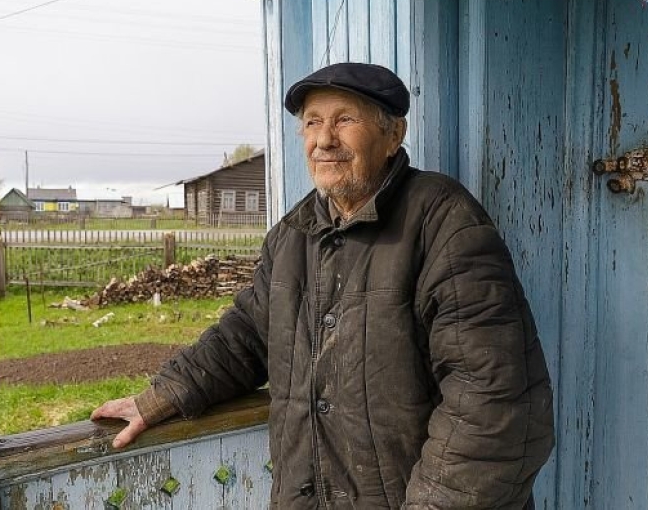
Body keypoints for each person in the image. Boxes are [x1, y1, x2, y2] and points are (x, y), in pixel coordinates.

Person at [92, 62, 554, 509]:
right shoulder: (294, 235)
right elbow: (247, 336)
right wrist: (161, 398)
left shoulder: (444, 223)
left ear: (394, 135)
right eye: (312, 123)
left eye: (345, 120)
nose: (324, 139)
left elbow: (492, 400)